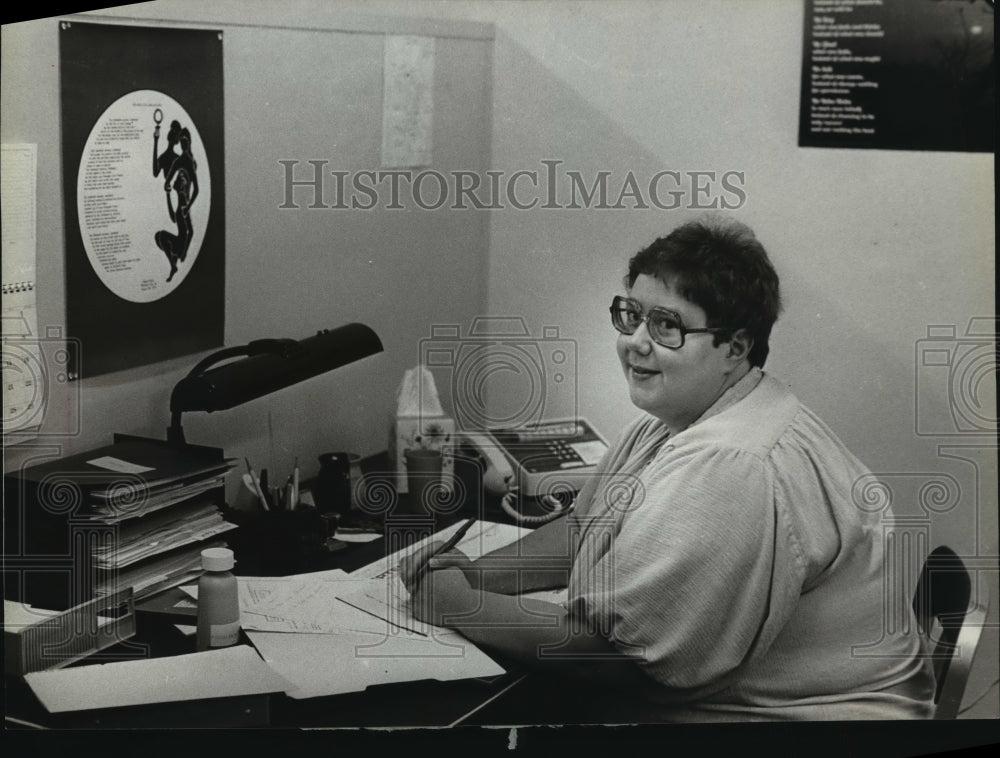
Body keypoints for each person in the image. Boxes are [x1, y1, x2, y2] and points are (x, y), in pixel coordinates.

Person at [399, 216, 935, 722]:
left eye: (667, 326)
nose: (635, 341)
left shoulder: (732, 467)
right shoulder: (690, 412)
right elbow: (588, 528)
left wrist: (464, 607)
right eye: (631, 315)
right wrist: (477, 574)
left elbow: (622, 661)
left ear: (736, 346)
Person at [154, 127, 199, 282]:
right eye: (182, 140)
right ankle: (173, 262)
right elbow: (174, 218)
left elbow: (190, 231)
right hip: (180, 245)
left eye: (185, 140)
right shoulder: (180, 162)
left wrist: (185, 252)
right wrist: (167, 192)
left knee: (162, 236)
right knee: (158, 236)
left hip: (181, 245)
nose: (183, 143)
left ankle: (174, 261)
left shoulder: (187, 162)